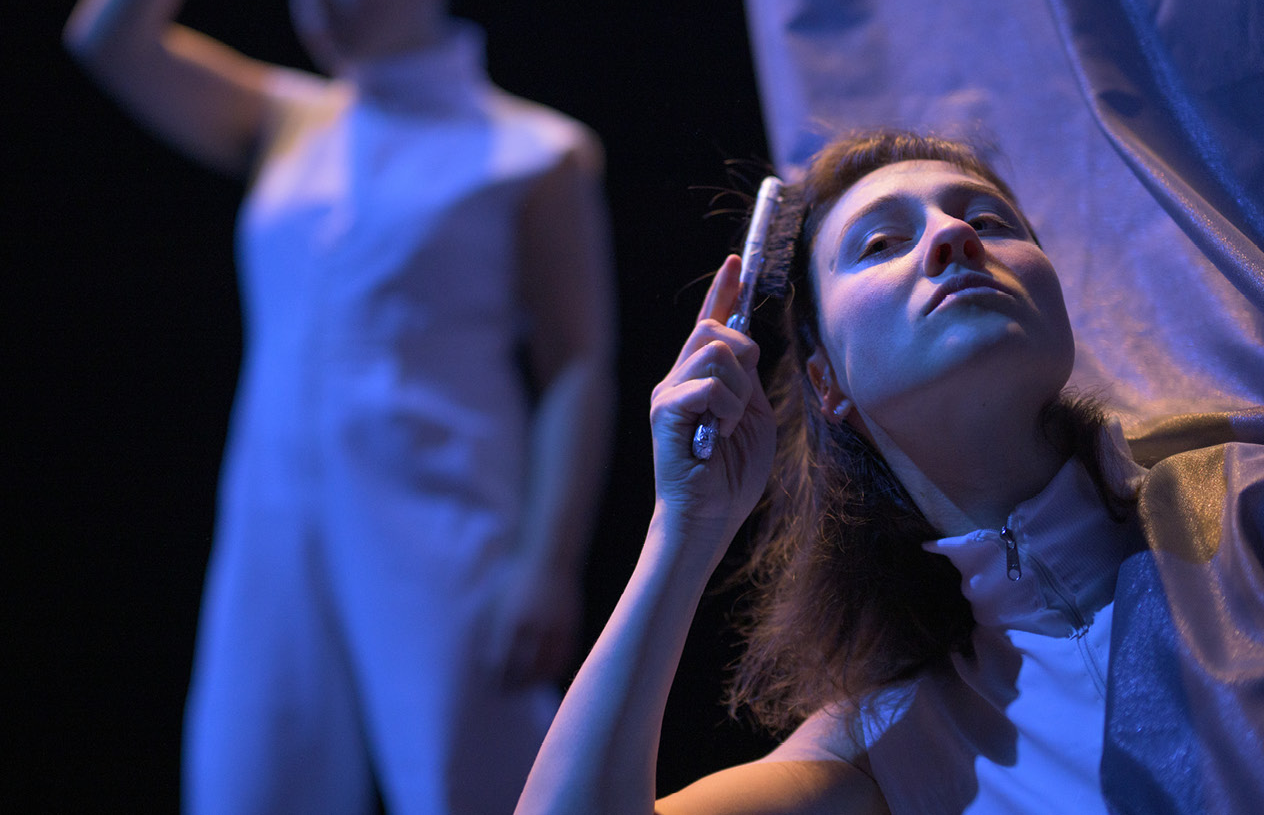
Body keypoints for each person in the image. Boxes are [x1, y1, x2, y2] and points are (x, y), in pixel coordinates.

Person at [63, 0, 616, 815]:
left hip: (442, 511)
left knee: (472, 789)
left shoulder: (533, 151)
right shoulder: (289, 120)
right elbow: (109, 39)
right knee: (249, 784)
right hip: (273, 511)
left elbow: (577, 362)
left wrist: (547, 560)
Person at [516, 130, 1264, 814]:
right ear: (826, 381)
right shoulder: (886, 751)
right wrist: (684, 530)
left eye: (990, 222)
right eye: (880, 243)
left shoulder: (1241, 506)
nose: (953, 236)